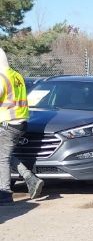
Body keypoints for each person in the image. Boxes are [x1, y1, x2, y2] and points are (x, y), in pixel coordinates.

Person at [0, 47, 44, 205]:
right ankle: (30, 178)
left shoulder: (1, 76)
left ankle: (4, 193)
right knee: (4, 155)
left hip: (8, 123)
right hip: (20, 122)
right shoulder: (15, 75)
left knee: (2, 158)